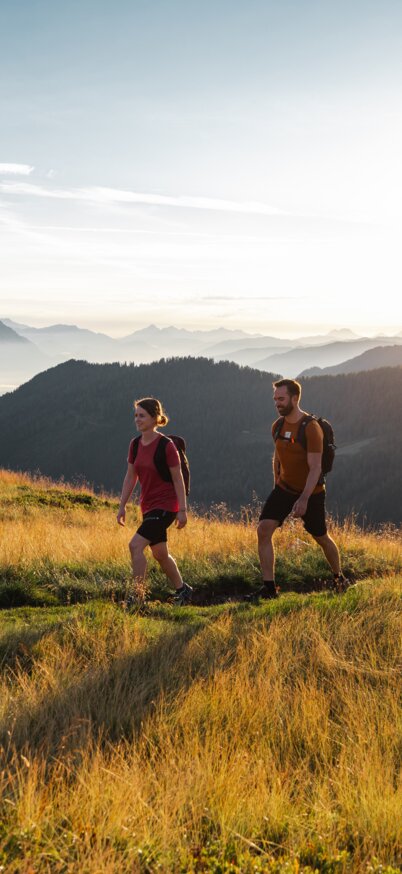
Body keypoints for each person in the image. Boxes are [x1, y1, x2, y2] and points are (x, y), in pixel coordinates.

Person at [253, 378, 349, 599]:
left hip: (312, 492)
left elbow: (315, 468)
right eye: (275, 399)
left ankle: (338, 577)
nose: (277, 403)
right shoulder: (277, 426)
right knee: (263, 529)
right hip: (284, 488)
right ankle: (269, 588)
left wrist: (304, 499)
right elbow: (278, 455)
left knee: (321, 537)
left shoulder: (311, 428)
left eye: (281, 399)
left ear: (295, 399)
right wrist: (276, 482)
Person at [117, 397, 193, 606]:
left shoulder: (166, 446)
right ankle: (183, 590)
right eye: (136, 415)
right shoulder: (135, 445)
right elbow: (130, 477)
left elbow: (177, 478)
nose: (137, 420)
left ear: (155, 418)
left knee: (135, 546)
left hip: (167, 506)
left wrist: (182, 510)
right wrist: (122, 505)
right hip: (148, 506)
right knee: (160, 554)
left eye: (142, 416)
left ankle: (138, 598)